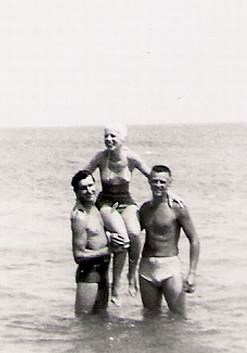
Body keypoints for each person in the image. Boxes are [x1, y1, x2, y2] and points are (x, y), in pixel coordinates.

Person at [84, 123, 151, 304]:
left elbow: (154, 177)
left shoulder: (131, 158)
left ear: (122, 139)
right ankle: (115, 289)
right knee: (122, 238)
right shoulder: (100, 157)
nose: (109, 140)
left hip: (125, 202)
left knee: (135, 234)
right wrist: (81, 202)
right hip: (108, 204)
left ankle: (132, 275)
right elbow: (83, 175)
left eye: (113, 136)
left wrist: (170, 194)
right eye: (106, 136)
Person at [138, 165, 200, 317]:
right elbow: (132, 235)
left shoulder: (177, 208)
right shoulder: (145, 209)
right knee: (150, 318)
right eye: (155, 181)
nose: (158, 185)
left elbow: (194, 240)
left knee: (179, 316)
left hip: (170, 267)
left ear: (169, 183)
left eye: (162, 182)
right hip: (146, 268)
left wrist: (192, 273)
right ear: (149, 182)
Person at [70, 170, 128, 316]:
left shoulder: (95, 207)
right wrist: (109, 250)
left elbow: (97, 234)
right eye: (83, 188)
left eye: (90, 185)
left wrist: (110, 236)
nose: (89, 190)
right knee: (83, 321)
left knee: (101, 321)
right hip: (89, 274)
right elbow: (78, 255)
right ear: (76, 192)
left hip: (103, 271)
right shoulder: (80, 217)